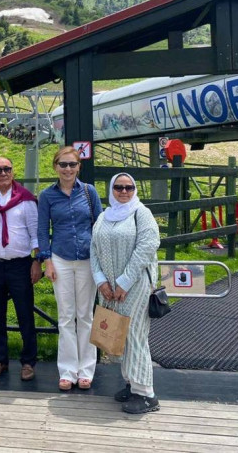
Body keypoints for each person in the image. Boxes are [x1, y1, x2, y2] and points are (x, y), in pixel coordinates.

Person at [91, 173, 161, 414]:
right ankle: (132, 383)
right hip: (110, 289)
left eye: (129, 187)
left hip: (135, 285)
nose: (124, 192)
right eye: (119, 187)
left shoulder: (141, 213)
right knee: (119, 335)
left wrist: (124, 282)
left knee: (134, 335)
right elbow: (93, 249)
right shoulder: (104, 216)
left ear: (134, 189)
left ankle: (146, 394)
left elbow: (147, 247)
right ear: (111, 189)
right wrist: (100, 280)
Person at [37, 146, 103, 392]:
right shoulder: (47, 195)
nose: (67, 169)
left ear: (78, 167)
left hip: (87, 258)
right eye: (63, 164)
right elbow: (42, 230)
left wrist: (101, 259)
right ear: (55, 167)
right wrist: (47, 261)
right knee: (66, 317)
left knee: (85, 315)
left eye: (72, 164)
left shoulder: (89, 192)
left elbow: (100, 224)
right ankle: (67, 370)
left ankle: (86, 370)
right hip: (61, 258)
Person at [0, 157, 40, 381]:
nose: (3, 173)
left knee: (25, 314)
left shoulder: (26, 199)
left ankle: (28, 361)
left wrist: (37, 261)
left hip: (20, 265)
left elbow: (35, 233)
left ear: (13, 172)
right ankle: (0, 360)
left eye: (7, 169)